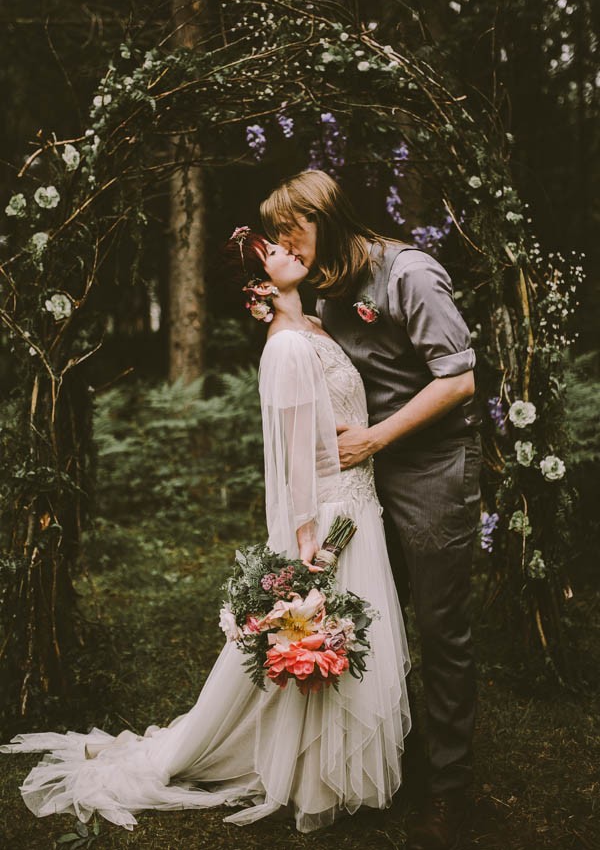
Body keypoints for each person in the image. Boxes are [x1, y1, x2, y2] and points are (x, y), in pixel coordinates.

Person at [0, 229, 411, 835]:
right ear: (258, 284)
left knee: (354, 649)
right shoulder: (287, 349)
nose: (290, 248)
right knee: (323, 646)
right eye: (273, 250)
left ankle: (335, 769)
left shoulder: (317, 327)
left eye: (285, 242)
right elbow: (293, 459)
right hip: (330, 517)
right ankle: (313, 774)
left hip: (359, 501)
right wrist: (305, 547)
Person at [261, 170, 483, 850]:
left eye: (290, 227)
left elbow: (462, 378)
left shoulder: (409, 273)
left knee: (443, 629)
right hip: (364, 475)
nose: (281, 241)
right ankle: (401, 754)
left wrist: (376, 438)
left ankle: (452, 791)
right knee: (377, 615)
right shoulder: (325, 290)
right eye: (273, 232)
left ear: (325, 216)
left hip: (433, 465)